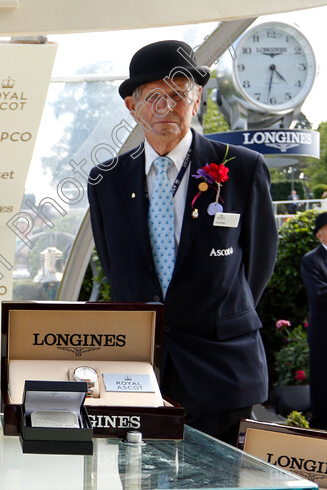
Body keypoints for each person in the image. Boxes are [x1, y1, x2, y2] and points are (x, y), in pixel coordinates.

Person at [87, 40, 278, 445]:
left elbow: (259, 263)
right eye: (152, 96)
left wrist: (220, 314)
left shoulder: (241, 168)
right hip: (139, 375)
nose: (165, 107)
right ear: (132, 107)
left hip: (222, 371)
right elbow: (116, 266)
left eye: (178, 95)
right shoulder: (106, 180)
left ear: (197, 100)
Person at [301, 212, 327, 429]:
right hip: (323, 335)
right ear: (319, 235)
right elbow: (320, 295)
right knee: (322, 384)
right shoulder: (312, 260)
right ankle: (320, 430)